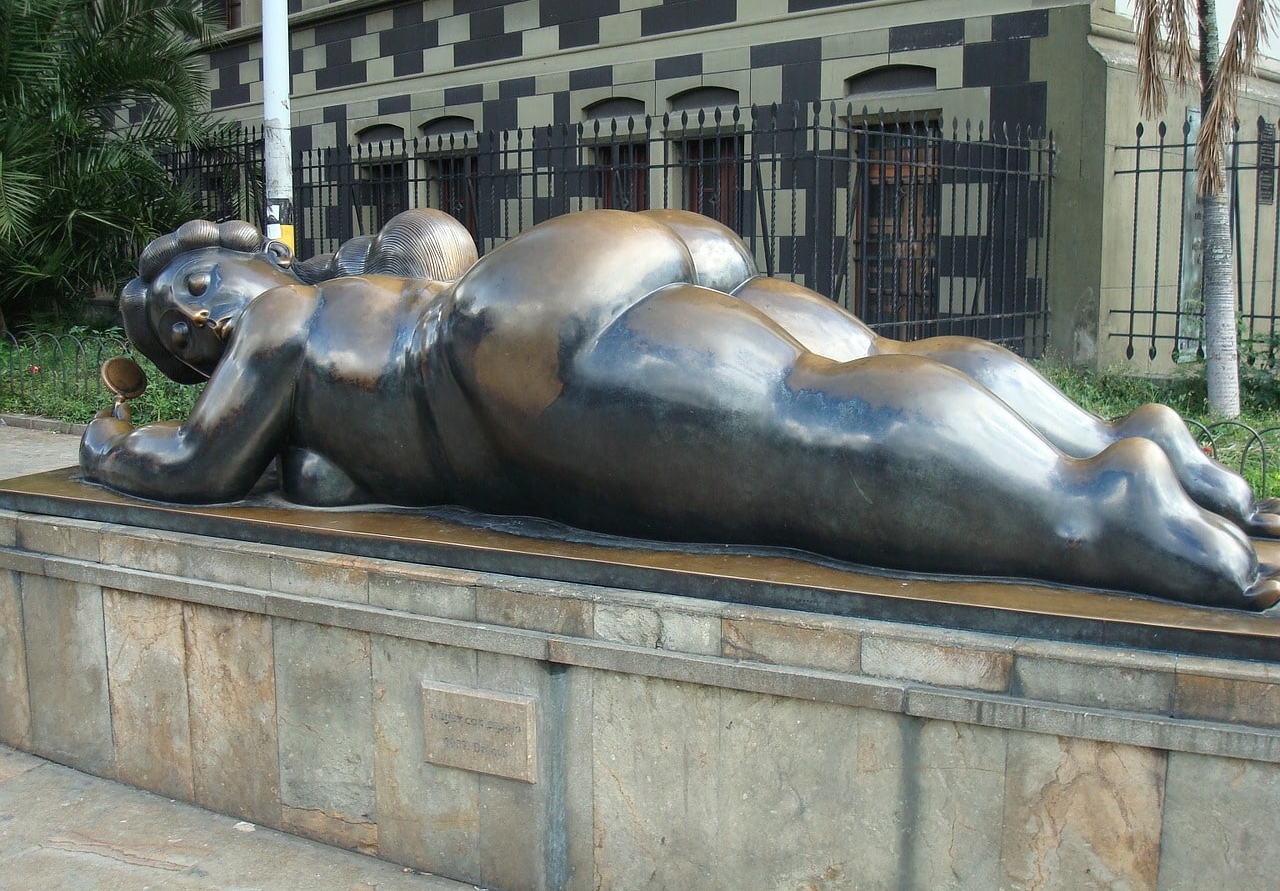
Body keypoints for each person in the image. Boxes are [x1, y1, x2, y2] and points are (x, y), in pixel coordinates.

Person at [80, 208, 1280, 610]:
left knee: (804, 438)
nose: (196, 329)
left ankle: (1098, 515)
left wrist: (113, 445)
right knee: (845, 368)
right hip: (595, 265)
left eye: (197, 292)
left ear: (251, 266)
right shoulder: (375, 282)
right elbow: (428, 247)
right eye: (173, 339)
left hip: (513, 350)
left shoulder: (290, 323)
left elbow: (194, 469)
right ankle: (1128, 448)